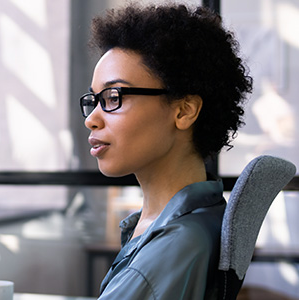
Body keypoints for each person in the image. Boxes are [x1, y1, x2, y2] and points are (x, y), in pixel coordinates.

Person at [81, 3, 252, 299]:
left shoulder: (171, 248)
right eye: (94, 100)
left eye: (113, 96)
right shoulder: (205, 216)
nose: (91, 119)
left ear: (184, 111)